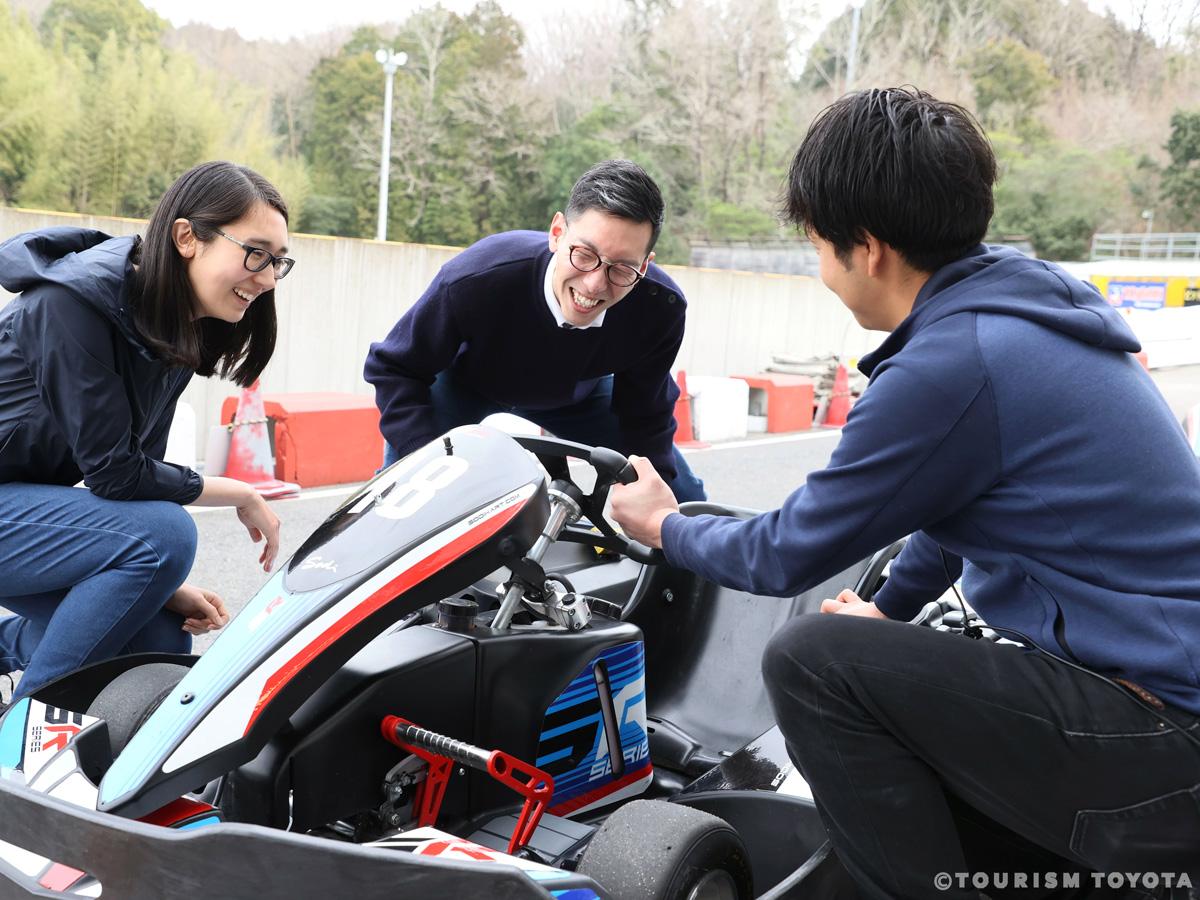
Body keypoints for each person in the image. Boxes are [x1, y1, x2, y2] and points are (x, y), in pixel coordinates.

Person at [611, 88, 1200, 895]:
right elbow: (953, 510)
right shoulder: (1015, 312)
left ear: (869, 249)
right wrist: (890, 610)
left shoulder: (953, 364)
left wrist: (664, 527)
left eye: (819, 244)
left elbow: (784, 554)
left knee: (812, 660)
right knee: (869, 659)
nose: (822, 268)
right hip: (1158, 693)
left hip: (1165, 731)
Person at [0, 160, 292, 705]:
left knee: (159, 635)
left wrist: (164, 586)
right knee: (168, 534)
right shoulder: (71, 304)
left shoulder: (175, 321)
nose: (268, 277)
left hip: (15, 511)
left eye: (279, 262)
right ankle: (18, 748)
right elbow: (118, 476)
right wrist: (242, 493)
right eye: (256, 253)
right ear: (187, 237)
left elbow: (136, 478)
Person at [364, 159, 706, 502]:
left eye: (623, 269)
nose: (594, 284)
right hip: (465, 385)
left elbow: (645, 412)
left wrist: (655, 499)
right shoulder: (479, 276)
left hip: (578, 396)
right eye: (584, 254)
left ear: (645, 265)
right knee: (404, 495)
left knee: (679, 495)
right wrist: (428, 462)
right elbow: (394, 366)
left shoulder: (661, 309)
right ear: (557, 233)